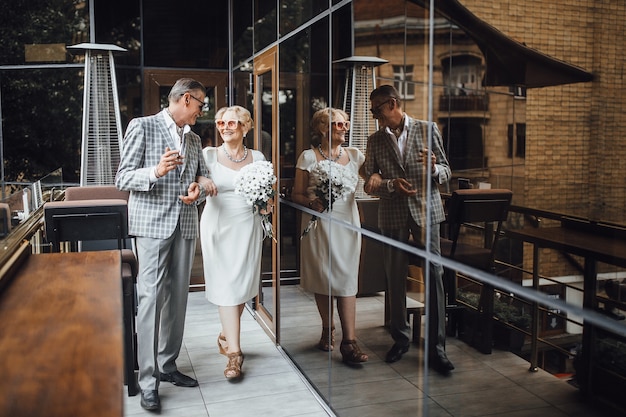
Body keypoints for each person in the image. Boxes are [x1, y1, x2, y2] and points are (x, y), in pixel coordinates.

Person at [116, 78, 217, 411]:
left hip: (185, 225)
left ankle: (167, 365)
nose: (202, 111)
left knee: (177, 299)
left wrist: (198, 189)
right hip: (151, 227)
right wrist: (156, 171)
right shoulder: (142, 127)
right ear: (186, 99)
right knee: (150, 299)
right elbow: (123, 177)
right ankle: (147, 381)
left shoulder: (194, 139)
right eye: (201, 104)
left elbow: (202, 177)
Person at [360, 85, 454, 374]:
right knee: (395, 275)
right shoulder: (375, 140)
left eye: (376, 109)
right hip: (392, 213)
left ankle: (437, 348)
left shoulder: (428, 129)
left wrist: (435, 169)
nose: (374, 115)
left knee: (434, 276)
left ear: (392, 103)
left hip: (428, 212)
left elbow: (448, 172)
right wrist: (387, 184)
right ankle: (400, 339)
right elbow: (370, 182)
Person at [291, 108, 368, 365]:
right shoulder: (308, 157)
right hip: (319, 225)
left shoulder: (356, 155)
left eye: (346, 124)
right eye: (338, 125)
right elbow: (296, 195)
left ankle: (350, 341)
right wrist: (312, 204)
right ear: (324, 129)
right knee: (323, 278)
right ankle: (327, 328)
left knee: (347, 278)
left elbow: (371, 180)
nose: (344, 128)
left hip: (348, 223)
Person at [200, 105, 270, 379]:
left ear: (244, 127)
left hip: (249, 226)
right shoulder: (208, 156)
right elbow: (192, 181)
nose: (225, 127)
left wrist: (267, 204)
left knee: (243, 284)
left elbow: (268, 191)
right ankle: (234, 354)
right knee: (227, 284)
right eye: (220, 123)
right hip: (218, 225)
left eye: (231, 123)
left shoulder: (258, 157)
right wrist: (200, 180)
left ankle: (226, 333)